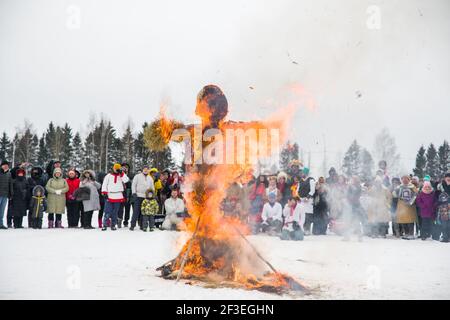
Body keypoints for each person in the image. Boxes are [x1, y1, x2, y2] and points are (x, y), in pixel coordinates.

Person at [101, 163, 130, 231]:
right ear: (113, 168)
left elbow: (126, 180)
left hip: (118, 195)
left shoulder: (121, 175)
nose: (116, 170)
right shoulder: (108, 176)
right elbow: (104, 184)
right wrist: (104, 192)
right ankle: (104, 225)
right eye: (115, 168)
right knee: (107, 212)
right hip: (110, 195)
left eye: (118, 168)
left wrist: (121, 173)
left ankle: (113, 225)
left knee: (115, 212)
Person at [393, 175, 418, 240]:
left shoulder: (412, 186)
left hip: (410, 206)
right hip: (401, 205)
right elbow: (394, 194)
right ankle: (406, 233)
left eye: (406, 179)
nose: (404, 180)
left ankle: (411, 234)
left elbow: (416, 194)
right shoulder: (399, 187)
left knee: (410, 220)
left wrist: (411, 201)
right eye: (403, 179)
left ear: (409, 179)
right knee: (403, 220)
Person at [130, 165, 154, 231]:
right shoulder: (137, 176)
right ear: (142, 169)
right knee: (136, 211)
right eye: (144, 169)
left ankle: (142, 225)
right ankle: (132, 225)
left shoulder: (150, 178)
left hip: (146, 197)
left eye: (147, 169)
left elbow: (152, 187)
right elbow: (133, 185)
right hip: (138, 196)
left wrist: (152, 195)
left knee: (143, 212)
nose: (145, 170)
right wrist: (134, 193)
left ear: (148, 170)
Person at [343, 176, 365, 241]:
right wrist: (348, 199)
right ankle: (347, 236)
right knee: (347, 221)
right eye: (352, 179)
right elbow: (347, 194)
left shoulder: (358, 187)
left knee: (356, 221)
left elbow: (357, 195)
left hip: (355, 205)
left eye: (354, 179)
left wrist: (351, 199)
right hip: (349, 205)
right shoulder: (350, 186)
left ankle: (360, 236)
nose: (352, 180)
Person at [298, 167, 315, 235]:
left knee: (308, 214)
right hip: (302, 200)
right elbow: (298, 190)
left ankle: (307, 229)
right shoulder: (300, 181)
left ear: (306, 173)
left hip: (309, 200)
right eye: (302, 173)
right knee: (302, 214)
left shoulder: (311, 180)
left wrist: (307, 198)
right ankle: (302, 228)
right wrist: (299, 197)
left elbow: (312, 190)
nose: (302, 174)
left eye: (303, 173)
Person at [436, 173, 450, 242]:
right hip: (443, 207)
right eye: (447, 177)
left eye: (449, 177)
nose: (448, 178)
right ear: (444, 178)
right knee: (444, 223)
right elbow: (437, 195)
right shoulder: (440, 186)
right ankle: (445, 237)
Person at [118, 163, 133, 228]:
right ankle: (119, 220)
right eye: (123, 167)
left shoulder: (131, 175)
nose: (125, 168)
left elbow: (130, 184)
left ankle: (126, 221)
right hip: (120, 192)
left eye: (126, 167)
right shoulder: (118, 174)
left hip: (128, 192)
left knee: (127, 208)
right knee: (120, 208)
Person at [0, 160, 13, 229]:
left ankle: (1, 224)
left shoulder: (9, 174)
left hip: (5, 195)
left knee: (2, 211)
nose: (6, 166)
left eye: (7, 165)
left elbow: (10, 184)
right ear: (1, 166)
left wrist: (11, 194)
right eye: (4, 165)